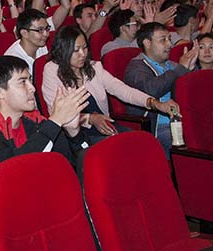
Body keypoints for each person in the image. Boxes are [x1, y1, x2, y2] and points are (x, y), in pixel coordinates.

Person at [40, 25, 181, 145]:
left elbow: (122, 90)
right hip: (73, 132)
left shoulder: (93, 67)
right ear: (64, 50)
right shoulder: (52, 70)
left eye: (85, 48)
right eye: (76, 50)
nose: (83, 54)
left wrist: (155, 103)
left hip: (104, 125)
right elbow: (56, 112)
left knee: (142, 142)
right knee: (119, 150)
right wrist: (90, 119)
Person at [0, 55, 91, 170]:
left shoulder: (34, 119)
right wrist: (55, 121)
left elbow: (71, 164)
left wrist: (73, 131)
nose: (32, 88)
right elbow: (13, 168)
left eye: (30, 80)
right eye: (23, 82)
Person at [123, 22, 197, 153]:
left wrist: (190, 71)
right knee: (189, 139)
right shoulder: (136, 68)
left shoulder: (171, 65)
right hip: (158, 126)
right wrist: (181, 69)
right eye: (163, 40)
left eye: (169, 39)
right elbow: (152, 90)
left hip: (183, 120)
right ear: (147, 43)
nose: (169, 44)